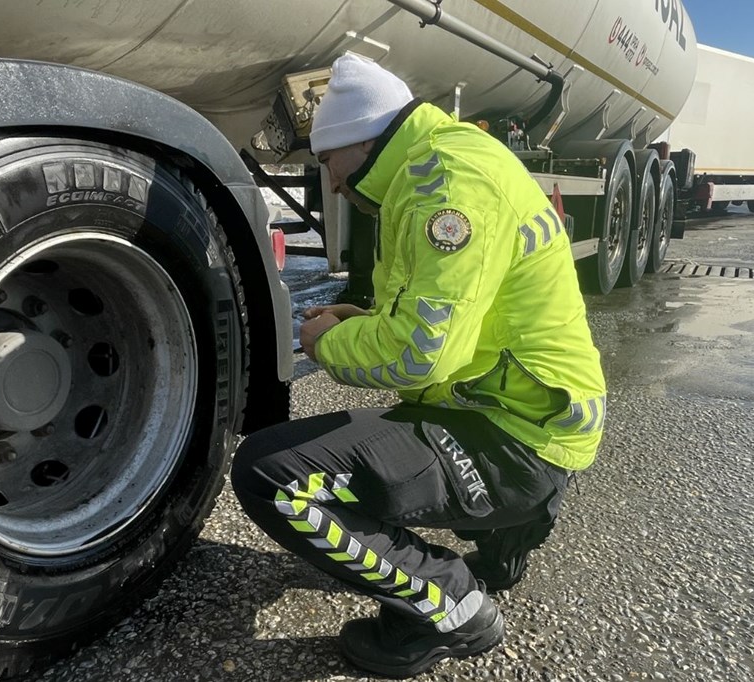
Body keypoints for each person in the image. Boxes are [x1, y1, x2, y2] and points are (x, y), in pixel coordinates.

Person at [231, 53, 606, 678]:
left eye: (328, 163)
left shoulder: (446, 189)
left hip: (518, 441)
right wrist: (363, 321)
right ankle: (506, 533)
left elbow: (420, 354)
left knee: (273, 474)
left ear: (360, 140)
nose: (334, 184)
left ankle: (452, 605)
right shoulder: (437, 165)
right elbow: (446, 317)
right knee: (388, 427)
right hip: (529, 415)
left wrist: (326, 345)